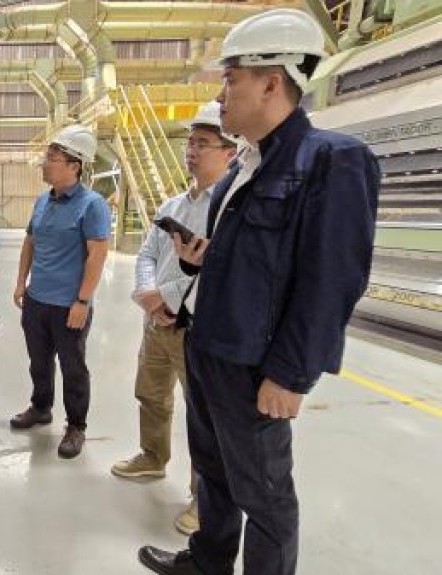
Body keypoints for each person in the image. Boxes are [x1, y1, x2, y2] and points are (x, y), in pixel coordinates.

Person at [138, 9, 380, 575]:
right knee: (214, 472)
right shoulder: (243, 168)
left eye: (230, 79)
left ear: (272, 83)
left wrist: (292, 374)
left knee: (265, 496)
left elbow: (333, 280)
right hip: (208, 348)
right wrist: (197, 263)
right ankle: (209, 562)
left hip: (254, 366)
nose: (220, 94)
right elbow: (255, 262)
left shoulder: (331, 161)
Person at [110, 102, 236, 536]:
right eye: (190, 142)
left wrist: (165, 298)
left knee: (203, 417)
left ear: (230, 153)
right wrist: (149, 298)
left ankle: (204, 497)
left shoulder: (228, 212)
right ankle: (152, 456)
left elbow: (215, 271)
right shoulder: (173, 205)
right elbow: (148, 254)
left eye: (203, 143)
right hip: (156, 323)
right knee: (151, 394)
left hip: (195, 329)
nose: (192, 151)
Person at [10, 124, 110, 459]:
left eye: (51, 159)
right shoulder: (42, 201)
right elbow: (30, 242)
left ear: (74, 165)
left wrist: (82, 300)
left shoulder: (92, 205)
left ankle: (76, 426)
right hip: (37, 300)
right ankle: (41, 408)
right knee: (39, 362)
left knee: (73, 368)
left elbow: (97, 255)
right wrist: (21, 282)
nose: (44, 164)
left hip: (69, 305)